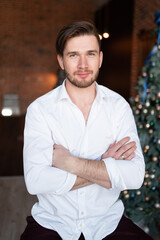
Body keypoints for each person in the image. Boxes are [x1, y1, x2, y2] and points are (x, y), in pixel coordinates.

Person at [21, 21, 153, 240]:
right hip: (53, 222)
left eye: (90, 54)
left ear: (100, 58)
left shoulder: (118, 107)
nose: (83, 64)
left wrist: (70, 163)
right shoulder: (40, 110)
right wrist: (105, 164)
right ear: (61, 61)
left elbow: (135, 176)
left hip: (107, 222)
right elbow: (36, 180)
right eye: (73, 55)